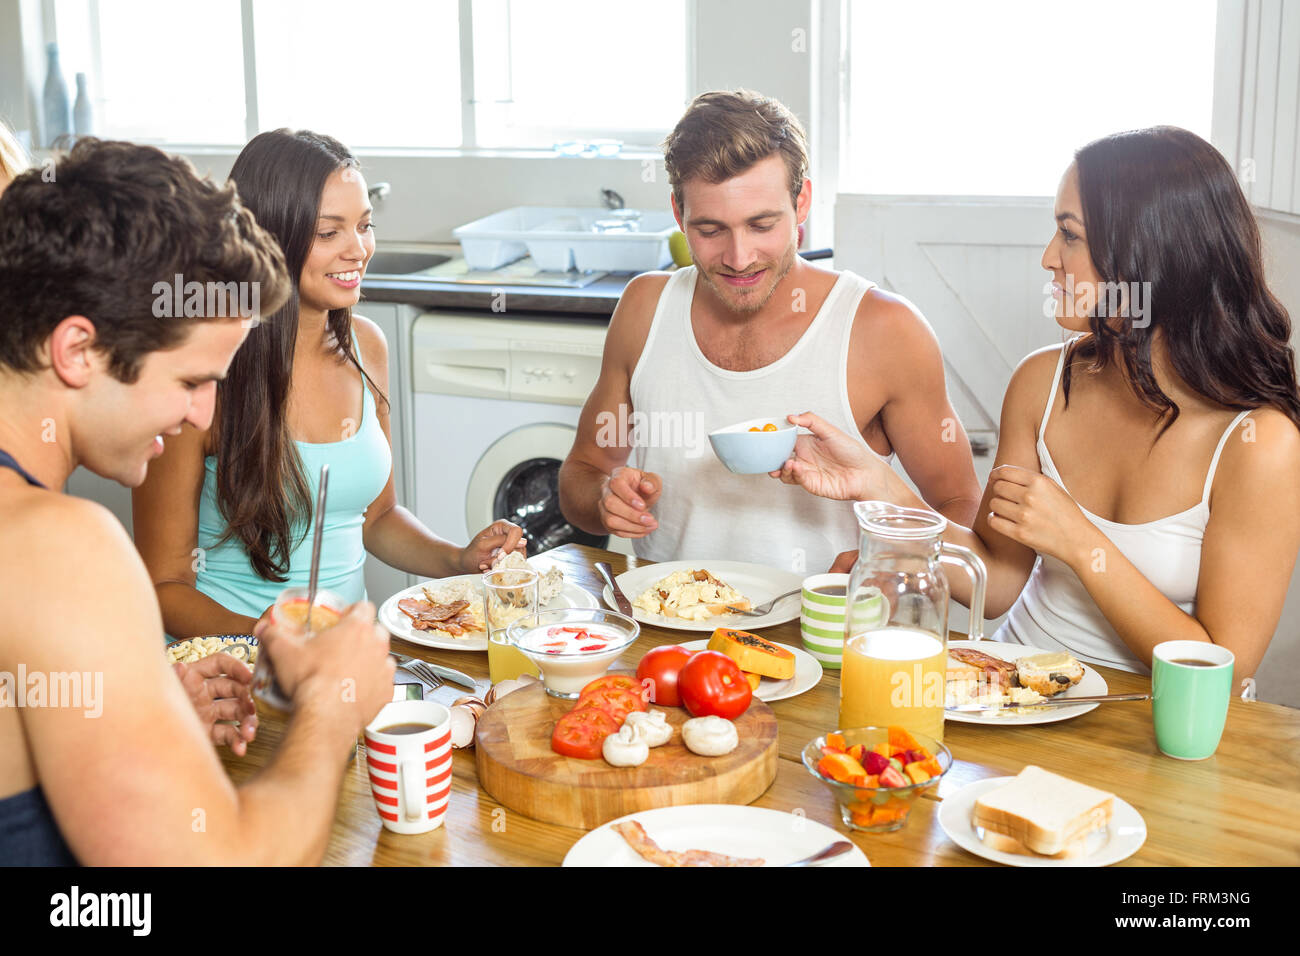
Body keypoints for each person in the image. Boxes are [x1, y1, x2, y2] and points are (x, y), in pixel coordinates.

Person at [775, 127, 1300, 680]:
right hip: (1012, 688)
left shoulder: (1257, 443)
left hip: (1158, 726)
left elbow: (1224, 667)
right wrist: (877, 487)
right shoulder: (1042, 382)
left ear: (1149, 254)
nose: (1050, 258)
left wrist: (1079, 542)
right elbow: (998, 581)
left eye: (1069, 235)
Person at [0, 138, 395, 864]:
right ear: (77, 351)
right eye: (188, 381)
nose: (205, 419)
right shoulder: (59, 548)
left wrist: (139, 713)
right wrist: (331, 707)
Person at [559, 90, 981, 575]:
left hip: (822, 637)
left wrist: (892, 561)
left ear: (800, 202)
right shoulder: (645, 308)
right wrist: (603, 499)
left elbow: (958, 502)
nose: (739, 258)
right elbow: (583, 472)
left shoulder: (884, 329)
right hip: (671, 634)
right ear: (678, 215)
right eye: (711, 230)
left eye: (762, 225)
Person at [133, 130, 524, 639]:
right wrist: (273, 639)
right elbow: (162, 585)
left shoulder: (367, 347)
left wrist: (457, 558)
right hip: (229, 666)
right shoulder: (204, 375)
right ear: (269, 238)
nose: (358, 250)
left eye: (365, 226)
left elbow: (377, 517)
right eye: (328, 233)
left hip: (338, 664)